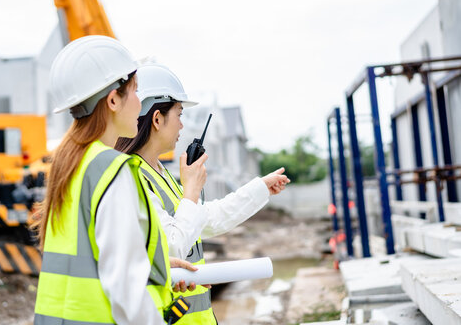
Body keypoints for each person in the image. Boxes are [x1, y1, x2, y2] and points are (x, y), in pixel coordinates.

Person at [32, 37, 196, 325]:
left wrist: (146, 265)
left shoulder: (71, 163)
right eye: (134, 91)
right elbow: (126, 291)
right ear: (113, 100)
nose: (139, 101)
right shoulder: (112, 169)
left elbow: (88, 260)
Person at [115, 63, 290, 324]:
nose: (182, 126)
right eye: (179, 115)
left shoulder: (160, 174)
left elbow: (205, 220)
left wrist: (260, 188)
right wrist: (192, 191)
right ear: (157, 119)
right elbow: (170, 248)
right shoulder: (131, 178)